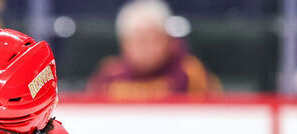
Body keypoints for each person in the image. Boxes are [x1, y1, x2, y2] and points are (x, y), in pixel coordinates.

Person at [86, 0, 221, 99]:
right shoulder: (109, 75)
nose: (147, 48)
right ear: (124, 44)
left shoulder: (189, 72)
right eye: (140, 41)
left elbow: (215, 113)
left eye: (154, 39)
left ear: (168, 40)